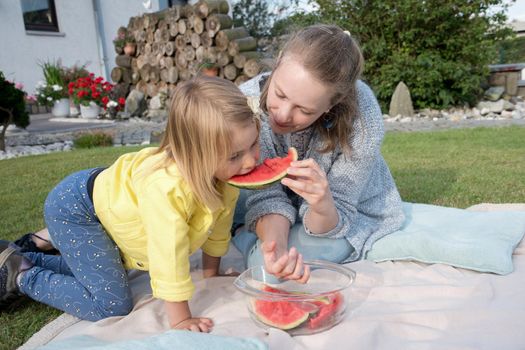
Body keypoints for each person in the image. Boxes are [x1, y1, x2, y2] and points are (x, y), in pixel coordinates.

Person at [0, 76, 260, 332]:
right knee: (112, 304)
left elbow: (219, 226)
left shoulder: (225, 174)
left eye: (254, 144)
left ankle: (20, 256)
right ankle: (21, 274)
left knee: (102, 272)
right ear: (195, 154)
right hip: (77, 210)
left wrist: (211, 274)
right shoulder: (167, 189)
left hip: (108, 198)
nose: (250, 162)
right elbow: (167, 254)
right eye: (235, 155)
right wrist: (180, 319)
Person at [231, 24, 405, 282]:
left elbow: (338, 215)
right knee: (268, 265)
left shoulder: (364, 120)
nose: (282, 114)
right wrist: (275, 247)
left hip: (341, 216)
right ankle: (251, 235)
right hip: (271, 211)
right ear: (277, 63)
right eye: (279, 94)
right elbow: (265, 194)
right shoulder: (247, 102)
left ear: (332, 104)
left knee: (264, 265)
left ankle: (245, 235)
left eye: (305, 110)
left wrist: (322, 203)